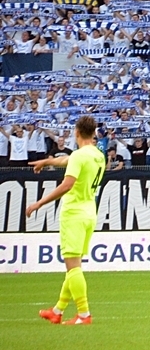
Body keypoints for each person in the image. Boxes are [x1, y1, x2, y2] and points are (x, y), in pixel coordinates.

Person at [25, 115, 105, 325]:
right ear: (93, 133)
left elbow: (67, 184)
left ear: (76, 132)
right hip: (89, 212)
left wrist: (39, 203)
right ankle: (57, 310)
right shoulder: (98, 155)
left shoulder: (79, 155)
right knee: (74, 265)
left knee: (73, 267)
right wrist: (47, 161)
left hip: (74, 212)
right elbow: (65, 160)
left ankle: (84, 314)